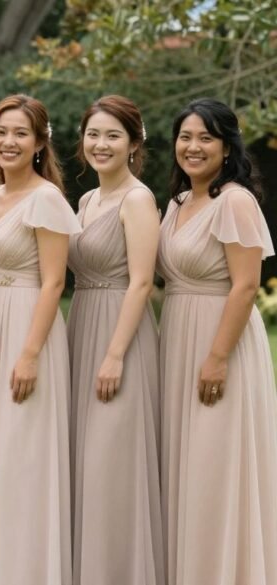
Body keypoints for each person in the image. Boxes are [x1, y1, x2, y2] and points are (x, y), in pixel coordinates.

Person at [157, 98, 277, 585]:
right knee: (184, 467)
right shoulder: (178, 203)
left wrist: (217, 358)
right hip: (176, 340)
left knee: (215, 465)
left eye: (205, 138)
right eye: (185, 137)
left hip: (219, 342)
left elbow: (246, 286)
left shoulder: (235, 201)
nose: (193, 146)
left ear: (227, 147)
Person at [0, 94, 80, 585]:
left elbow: (54, 283)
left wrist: (30, 354)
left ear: (39, 143)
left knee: (21, 456)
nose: (8, 142)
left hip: (26, 328)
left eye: (20, 133)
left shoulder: (46, 199)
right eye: (1, 132)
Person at [67, 95, 163, 585]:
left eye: (112, 136)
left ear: (133, 143)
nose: (100, 144)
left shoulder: (138, 200)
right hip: (82, 324)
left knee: (112, 463)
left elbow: (143, 282)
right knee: (85, 462)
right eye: (93, 134)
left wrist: (115, 355)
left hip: (120, 335)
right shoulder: (86, 201)